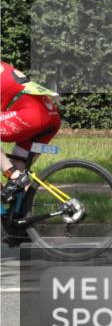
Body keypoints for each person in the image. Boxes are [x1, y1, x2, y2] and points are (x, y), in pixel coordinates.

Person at [1, 61, 61, 241]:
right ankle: (19, 224)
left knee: (15, 176)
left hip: (32, 115)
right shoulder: (4, 66)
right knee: (19, 168)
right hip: (50, 117)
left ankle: (13, 175)